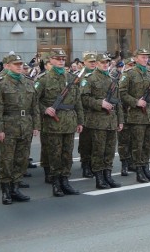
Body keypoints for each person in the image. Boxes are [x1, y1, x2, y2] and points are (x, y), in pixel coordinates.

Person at [0, 53, 40, 205]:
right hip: (8, 125)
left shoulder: (28, 82)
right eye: (15, 64)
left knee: (22, 158)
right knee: (7, 159)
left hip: (26, 124)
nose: (19, 66)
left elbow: (34, 106)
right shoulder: (0, 82)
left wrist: (36, 125)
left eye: (20, 64)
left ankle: (16, 187)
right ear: (7, 66)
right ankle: (5, 190)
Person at [35, 49, 85, 196]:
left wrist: (80, 121)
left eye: (63, 59)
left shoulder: (71, 78)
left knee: (67, 154)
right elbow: (33, 101)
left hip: (69, 121)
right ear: (50, 60)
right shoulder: (43, 79)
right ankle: (56, 183)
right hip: (53, 123)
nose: (61, 61)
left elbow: (78, 102)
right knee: (55, 154)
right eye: (58, 59)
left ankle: (65, 181)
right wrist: (45, 109)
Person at [81, 53, 124, 189]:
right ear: (97, 64)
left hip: (111, 120)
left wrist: (120, 120)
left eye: (107, 62)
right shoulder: (90, 79)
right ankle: (99, 178)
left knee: (110, 150)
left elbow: (118, 102)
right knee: (98, 150)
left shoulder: (112, 79)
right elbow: (84, 98)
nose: (105, 64)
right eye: (102, 62)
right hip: (97, 121)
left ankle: (108, 175)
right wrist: (100, 103)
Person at [119, 48, 150, 183]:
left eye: (146, 57)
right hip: (136, 115)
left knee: (148, 144)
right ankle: (139, 170)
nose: (145, 59)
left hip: (149, 113)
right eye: (142, 57)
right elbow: (122, 93)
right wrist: (136, 102)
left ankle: (146, 168)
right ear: (135, 58)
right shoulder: (129, 74)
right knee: (138, 144)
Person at [78, 52, 98, 178]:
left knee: (96, 141)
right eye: (90, 61)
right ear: (84, 62)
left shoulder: (98, 74)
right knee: (86, 141)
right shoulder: (80, 76)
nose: (92, 63)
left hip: (98, 112)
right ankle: (85, 164)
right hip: (85, 113)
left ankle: (94, 164)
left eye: (94, 61)